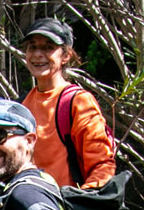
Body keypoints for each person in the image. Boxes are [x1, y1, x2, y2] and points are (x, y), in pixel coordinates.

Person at [19, 17, 115, 188]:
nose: (38, 54)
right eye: (32, 47)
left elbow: (102, 165)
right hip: (29, 208)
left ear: (66, 56)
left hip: (65, 208)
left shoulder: (78, 102)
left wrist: (81, 202)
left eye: (48, 48)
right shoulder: (22, 106)